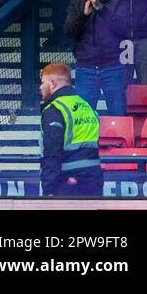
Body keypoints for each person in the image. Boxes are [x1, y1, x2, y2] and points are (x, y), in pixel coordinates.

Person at [64, 0, 128, 116]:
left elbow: (124, 29)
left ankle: (118, 142)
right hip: (86, 69)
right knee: (83, 118)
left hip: (113, 67)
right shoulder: (77, 3)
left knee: (118, 115)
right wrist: (84, 15)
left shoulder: (120, 1)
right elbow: (68, 32)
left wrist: (100, 8)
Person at [39, 61, 102, 197]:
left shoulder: (55, 109)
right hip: (94, 178)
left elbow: (52, 152)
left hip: (67, 182)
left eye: (43, 83)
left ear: (53, 83)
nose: (40, 87)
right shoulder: (86, 106)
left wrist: (48, 189)